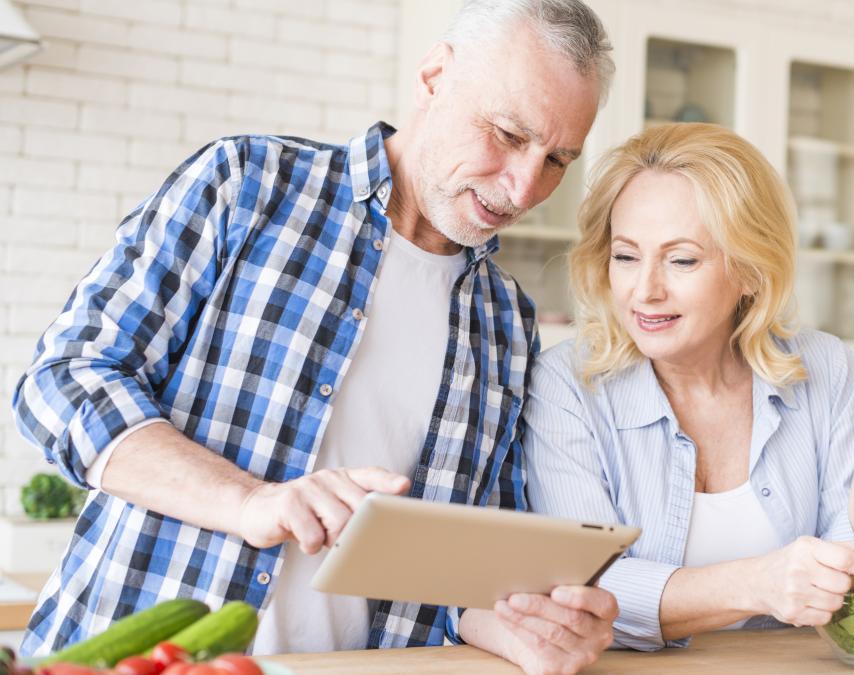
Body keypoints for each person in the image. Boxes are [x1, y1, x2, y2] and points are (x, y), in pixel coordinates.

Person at [12, 1, 618, 671]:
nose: (526, 185)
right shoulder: (247, 186)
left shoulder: (506, 322)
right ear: (433, 77)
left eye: (558, 159)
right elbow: (64, 380)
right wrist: (250, 501)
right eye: (507, 133)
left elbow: (459, 576)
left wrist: (533, 625)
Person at [520, 123, 854, 651]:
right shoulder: (568, 382)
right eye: (626, 256)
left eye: (681, 260)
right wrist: (759, 584)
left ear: (749, 270)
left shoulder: (825, 366)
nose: (645, 290)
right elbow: (586, 584)